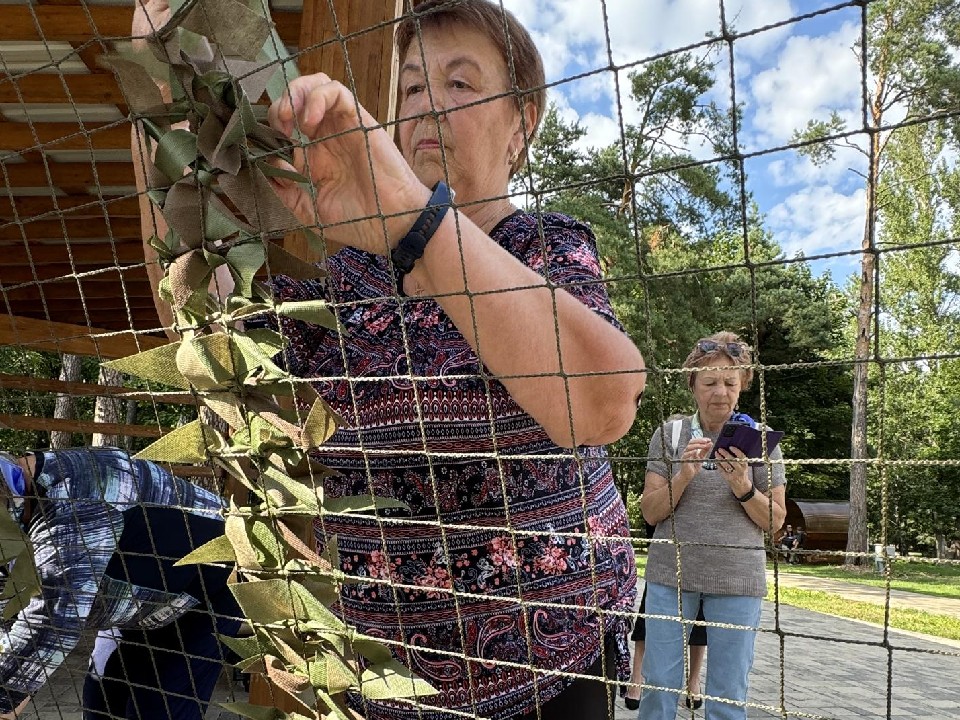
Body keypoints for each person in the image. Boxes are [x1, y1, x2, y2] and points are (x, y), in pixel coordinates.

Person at [133, 1, 647, 719]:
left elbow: (602, 402)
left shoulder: (546, 246)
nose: (428, 104)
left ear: (521, 127)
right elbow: (207, 328)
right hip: (386, 692)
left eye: (461, 84)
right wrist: (166, 93)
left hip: (553, 681)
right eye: (410, 87)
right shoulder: (347, 285)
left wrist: (414, 221)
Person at [0, 448, 240, 720]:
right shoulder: (13, 511)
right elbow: (7, 604)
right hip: (134, 603)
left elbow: (53, 622)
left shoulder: (79, 494)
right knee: (100, 704)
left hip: (205, 597)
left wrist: (5, 701)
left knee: (159, 708)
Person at [638, 333, 786, 720]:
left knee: (728, 694)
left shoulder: (761, 441)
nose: (720, 392)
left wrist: (742, 485)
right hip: (670, 577)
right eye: (709, 382)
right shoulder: (669, 435)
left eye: (730, 383)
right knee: (658, 687)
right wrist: (684, 475)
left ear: (743, 386)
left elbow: (775, 520)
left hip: (737, 581)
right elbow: (650, 513)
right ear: (692, 384)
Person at [625, 523, 706, 712]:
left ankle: (694, 679)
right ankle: (636, 677)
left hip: (705, 552)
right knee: (650, 615)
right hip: (666, 547)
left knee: (700, 619)